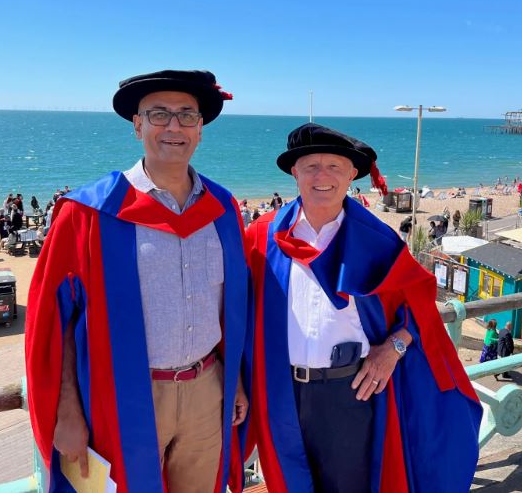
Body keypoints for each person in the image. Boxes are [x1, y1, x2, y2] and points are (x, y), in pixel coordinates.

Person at [25, 69, 250, 492]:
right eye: (159, 114)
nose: (173, 126)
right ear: (137, 125)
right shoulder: (89, 213)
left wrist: (233, 377)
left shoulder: (223, 209)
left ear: (200, 129)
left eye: (187, 115)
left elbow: (229, 307)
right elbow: (55, 323)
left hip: (207, 391)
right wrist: (66, 409)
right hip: (121, 398)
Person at [245, 123, 481, 492]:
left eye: (334, 167)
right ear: (294, 172)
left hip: (350, 392)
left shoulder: (377, 241)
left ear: (352, 174)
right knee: (286, 484)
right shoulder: (262, 236)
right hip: (278, 391)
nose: (322, 176)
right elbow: (236, 310)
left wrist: (394, 349)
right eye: (310, 166)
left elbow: (419, 305)